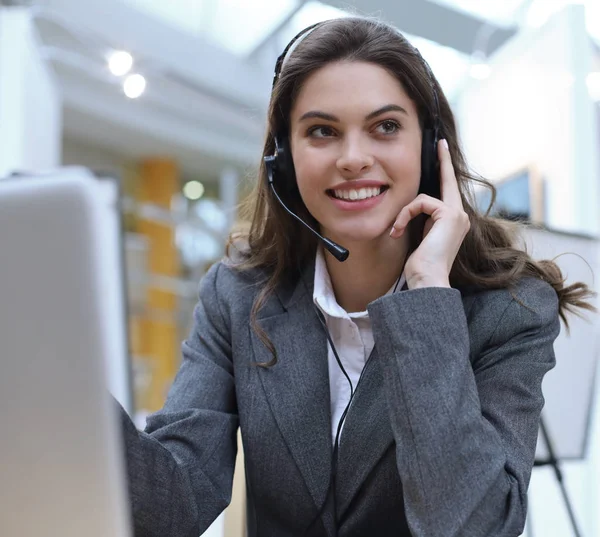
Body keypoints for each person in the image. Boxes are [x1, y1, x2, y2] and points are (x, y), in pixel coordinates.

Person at [117, 17, 596, 537]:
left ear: (430, 146)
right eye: (322, 131)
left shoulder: (510, 310)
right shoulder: (237, 295)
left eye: (385, 126)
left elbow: (471, 526)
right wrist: (62, 382)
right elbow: (168, 512)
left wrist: (429, 290)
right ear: (283, 159)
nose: (352, 159)